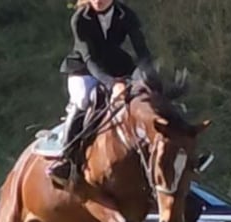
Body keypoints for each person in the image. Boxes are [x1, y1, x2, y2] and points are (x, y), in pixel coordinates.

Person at [47, 0, 153, 184]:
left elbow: (142, 51)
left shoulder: (125, 14)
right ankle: (66, 159)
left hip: (117, 67)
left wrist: (147, 74)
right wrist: (113, 84)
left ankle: (177, 153)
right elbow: (90, 60)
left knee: (150, 95)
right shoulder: (80, 19)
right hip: (84, 70)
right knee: (83, 100)